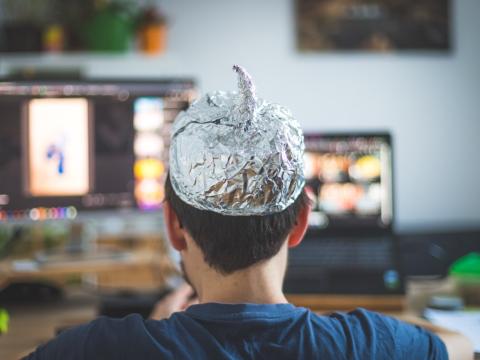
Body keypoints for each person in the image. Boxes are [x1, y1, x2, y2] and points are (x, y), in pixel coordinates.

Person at [26, 66, 472, 360]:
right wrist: (382, 325)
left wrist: (158, 332)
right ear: (301, 223)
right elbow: (455, 346)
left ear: (174, 226)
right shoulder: (369, 345)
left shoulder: (101, 349)